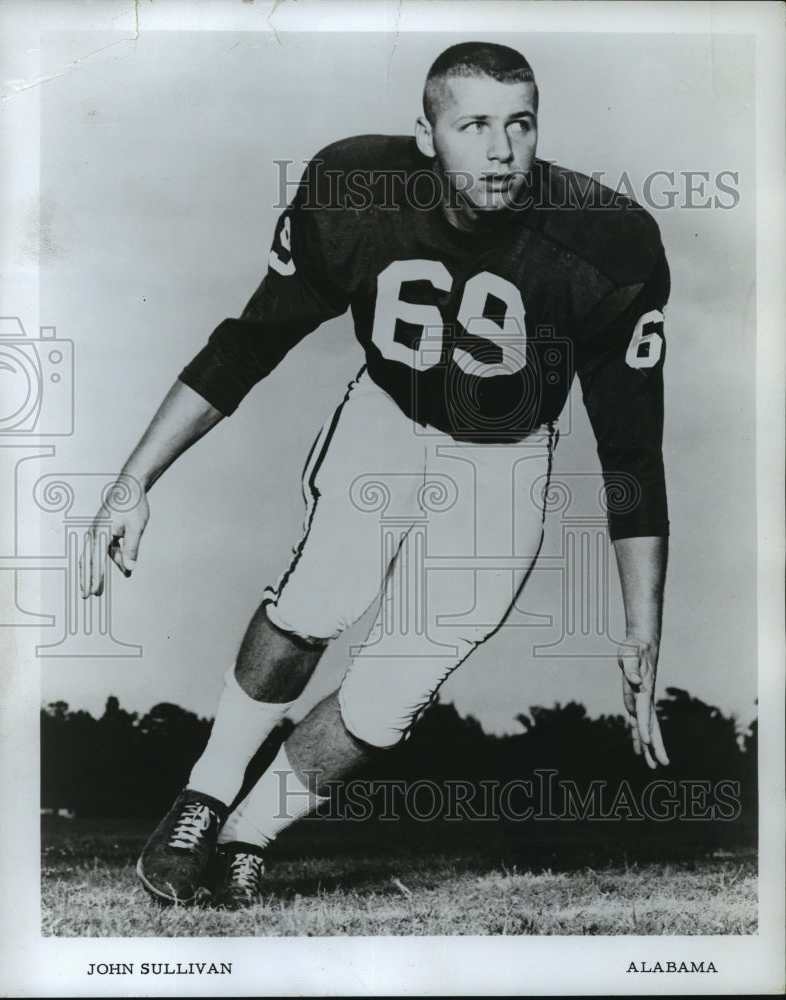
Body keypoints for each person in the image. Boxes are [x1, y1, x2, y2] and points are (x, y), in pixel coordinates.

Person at [80, 41, 671, 909]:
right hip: (388, 422)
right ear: (426, 133)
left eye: (520, 124)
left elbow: (630, 451)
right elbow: (250, 342)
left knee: (397, 690)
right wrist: (133, 481)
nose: (502, 150)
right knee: (316, 600)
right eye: (474, 125)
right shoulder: (355, 189)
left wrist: (641, 622)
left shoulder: (606, 241)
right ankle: (204, 796)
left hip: (507, 464)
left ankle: (251, 832)